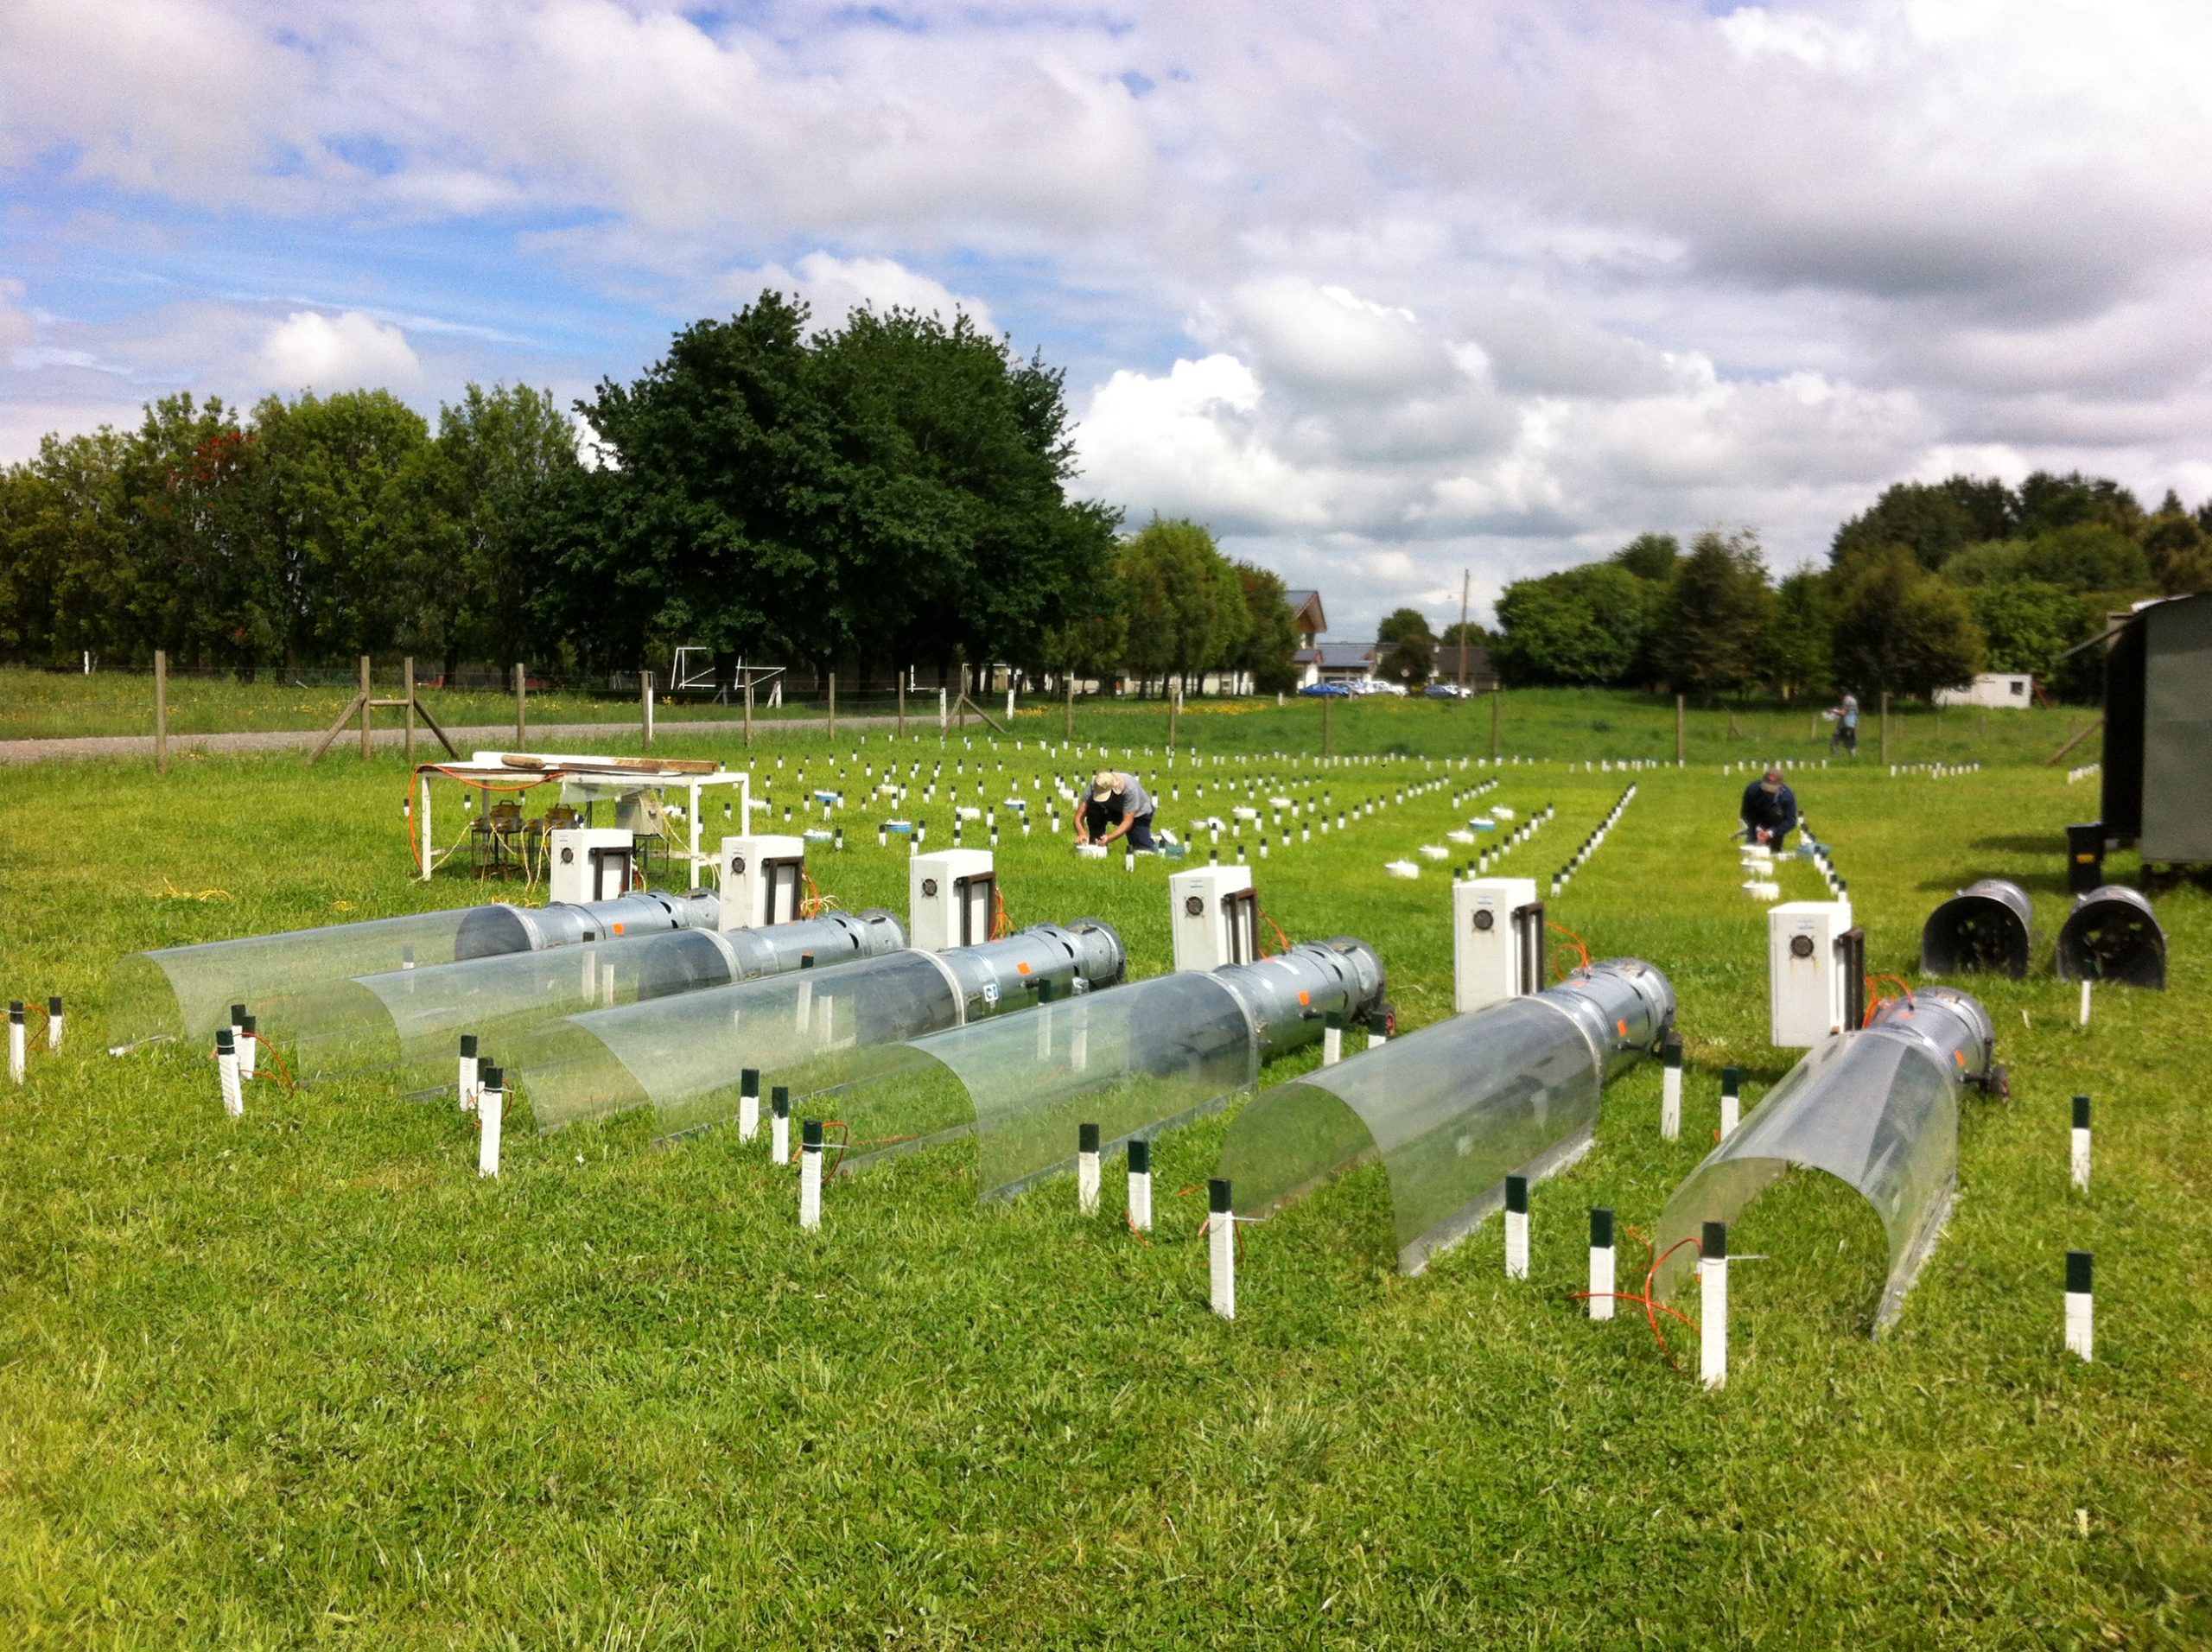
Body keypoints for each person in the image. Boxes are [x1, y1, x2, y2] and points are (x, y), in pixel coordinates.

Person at [1077, 769, 1156, 851]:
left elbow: (1127, 822)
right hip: (1112, 809)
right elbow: (1079, 815)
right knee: (1094, 809)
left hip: (1138, 814)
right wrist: (1082, 834)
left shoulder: (1130, 789)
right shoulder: (1097, 785)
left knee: (1142, 850)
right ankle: (1096, 844)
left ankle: (1159, 843)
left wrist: (1109, 838)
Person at [1739, 767, 1799, 849]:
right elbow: (1746, 814)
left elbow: (1791, 821)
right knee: (1752, 849)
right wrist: (1758, 829)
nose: (1768, 792)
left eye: (1772, 790)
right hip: (1756, 821)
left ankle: (1775, 846)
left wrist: (1771, 833)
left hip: (1776, 824)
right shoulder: (1752, 790)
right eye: (1766, 788)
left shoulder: (1788, 797)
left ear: (1781, 786)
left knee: (1776, 813)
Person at [1827, 688, 1860, 757]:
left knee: (1835, 741)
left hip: (1846, 725)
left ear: (1841, 694)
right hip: (1851, 724)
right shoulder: (1853, 700)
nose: (1839, 697)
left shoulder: (1847, 700)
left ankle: (1835, 758)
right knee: (1850, 743)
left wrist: (1833, 711)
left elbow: (1843, 713)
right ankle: (1854, 759)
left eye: (1839, 694)